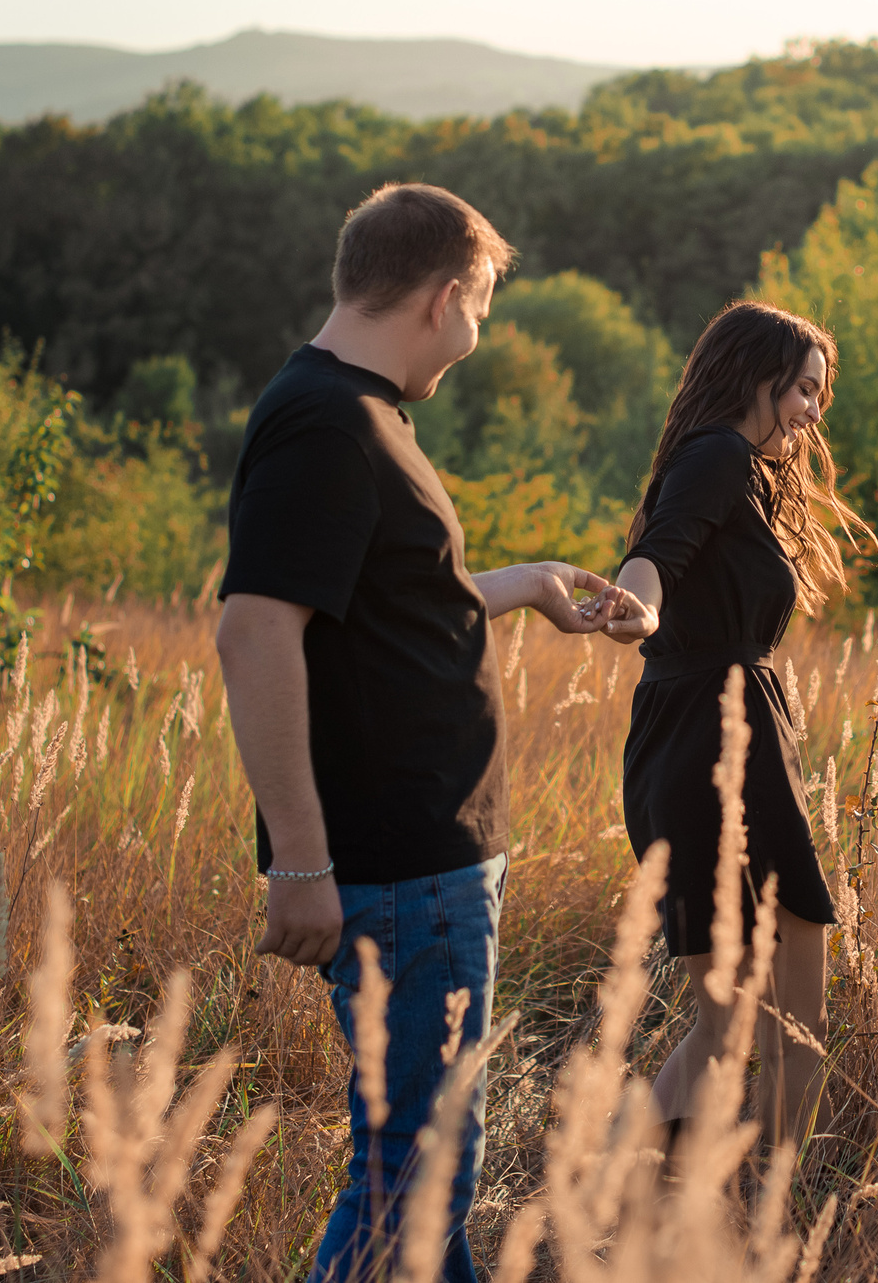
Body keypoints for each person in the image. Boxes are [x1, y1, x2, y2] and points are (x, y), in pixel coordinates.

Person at [215, 182, 643, 1283]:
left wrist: (530, 583)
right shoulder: (329, 422)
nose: (478, 335)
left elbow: (397, 596)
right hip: (396, 867)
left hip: (428, 861)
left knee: (426, 1173)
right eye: (484, 307)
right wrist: (302, 858)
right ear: (446, 294)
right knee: (414, 1176)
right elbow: (255, 631)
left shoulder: (358, 415)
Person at [603, 300, 874, 1148]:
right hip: (719, 731)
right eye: (802, 388)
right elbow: (657, 556)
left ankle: (627, 1197)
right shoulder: (718, 455)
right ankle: (777, 1223)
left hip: (702, 729)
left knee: (732, 1020)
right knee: (789, 1019)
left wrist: (643, 604)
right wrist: (634, 605)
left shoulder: (730, 468)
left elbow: (666, 549)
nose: (812, 410)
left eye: (819, 394)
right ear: (753, 377)